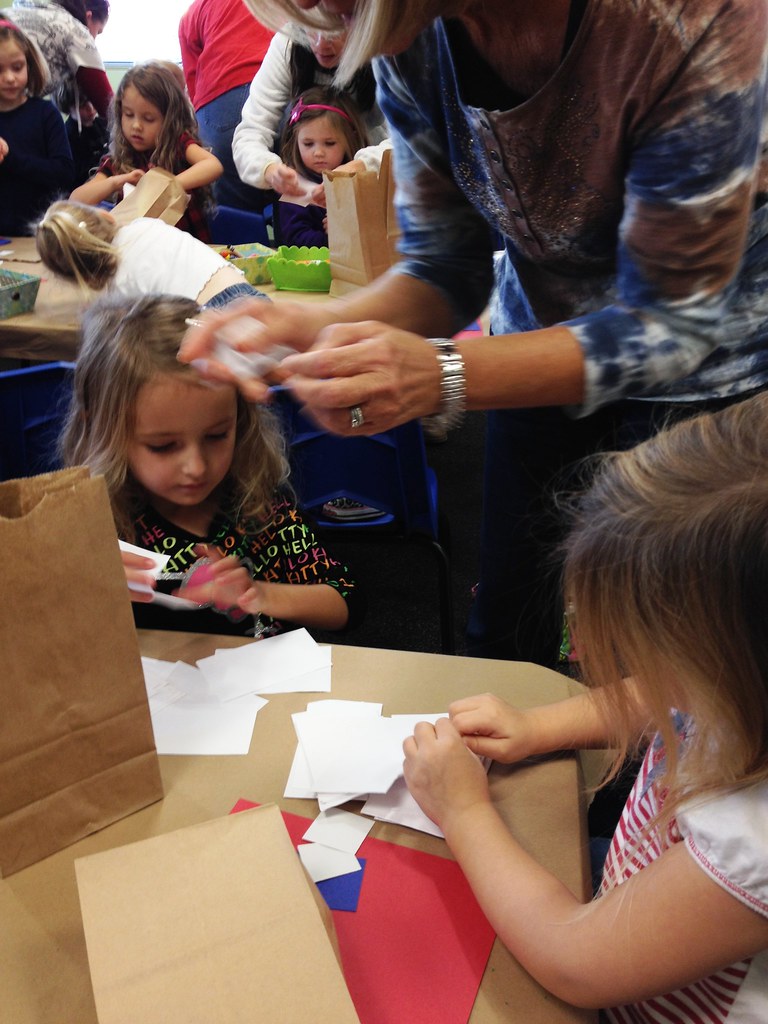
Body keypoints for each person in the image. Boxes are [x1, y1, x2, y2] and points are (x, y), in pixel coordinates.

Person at [182, 0, 768, 668]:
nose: (323, 20)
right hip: (537, 334)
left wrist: (443, 376)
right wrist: (310, 322)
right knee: (508, 632)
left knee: (674, 661)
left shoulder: (689, 18)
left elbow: (671, 323)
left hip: (707, 376)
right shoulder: (407, 35)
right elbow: (445, 267)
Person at [402, 393, 768, 1020]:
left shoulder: (752, 841)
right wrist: (537, 725)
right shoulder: (739, 683)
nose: (632, 671)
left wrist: (462, 811)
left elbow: (573, 961)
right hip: (628, 895)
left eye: (652, 652)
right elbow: (655, 696)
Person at [59, 293, 363, 639]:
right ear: (105, 432)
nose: (197, 467)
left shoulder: (258, 507)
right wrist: (83, 584)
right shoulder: (96, 524)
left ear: (240, 419)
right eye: (163, 446)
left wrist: (260, 593)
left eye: (217, 436)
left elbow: (346, 598)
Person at [232, 25, 389, 211]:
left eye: (334, 31)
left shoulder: (388, 43)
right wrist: (269, 169)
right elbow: (251, 131)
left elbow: (416, 135)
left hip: (385, 177)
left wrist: (363, 165)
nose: (321, 43)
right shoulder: (287, 44)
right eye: (311, 28)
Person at [71, 61, 223, 242]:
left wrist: (165, 185)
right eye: (128, 115)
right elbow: (76, 199)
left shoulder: (178, 144)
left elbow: (213, 165)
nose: (136, 125)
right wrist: (114, 182)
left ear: (169, 118)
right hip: (143, 256)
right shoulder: (119, 161)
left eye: (148, 118)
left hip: (187, 252)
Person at [36, 199, 268, 309]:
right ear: (106, 216)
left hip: (211, 317)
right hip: (249, 294)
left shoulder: (118, 291)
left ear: (82, 278)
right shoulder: (146, 224)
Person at [178, 0, 275, 210]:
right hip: (280, 94)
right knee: (295, 210)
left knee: (237, 221)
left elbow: (193, 81)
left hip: (221, 101)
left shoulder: (194, 12)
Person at [0, 19, 73, 235]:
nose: (10, 78)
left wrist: (10, 157)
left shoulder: (45, 114)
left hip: (41, 233)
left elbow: (64, 174)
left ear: (29, 66)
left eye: (17, 67)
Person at [277, 86, 368, 248]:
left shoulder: (362, 177)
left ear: (349, 139)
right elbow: (295, 239)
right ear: (296, 141)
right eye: (308, 144)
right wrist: (335, 238)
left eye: (329, 143)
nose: (318, 152)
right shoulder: (295, 187)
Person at [9, 0, 112, 117]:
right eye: (98, 32)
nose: (94, 39)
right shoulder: (76, 32)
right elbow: (109, 108)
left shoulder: (22, 9)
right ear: (88, 17)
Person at [53, 83, 108, 188]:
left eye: (92, 100)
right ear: (68, 107)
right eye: (82, 104)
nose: (91, 107)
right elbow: (75, 178)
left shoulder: (102, 123)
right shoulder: (66, 137)